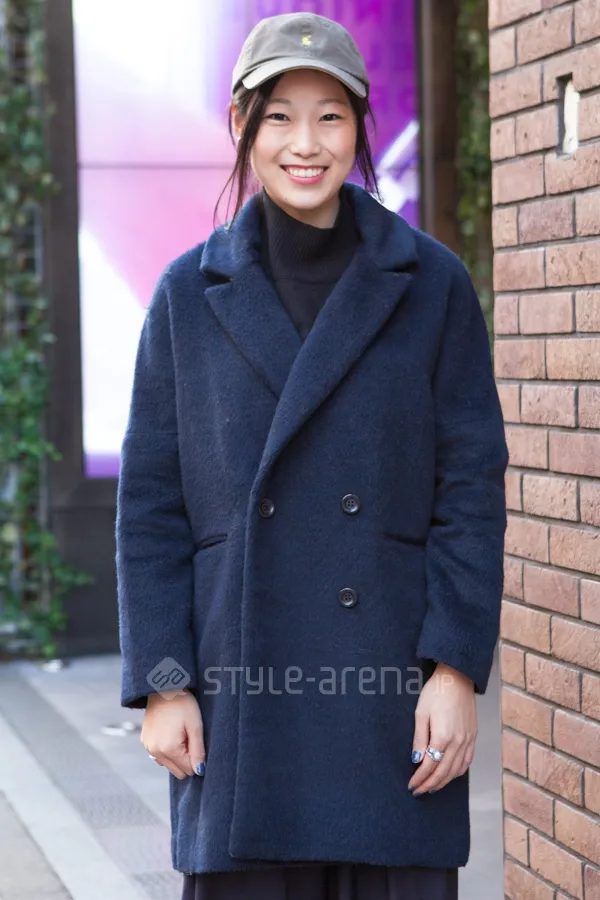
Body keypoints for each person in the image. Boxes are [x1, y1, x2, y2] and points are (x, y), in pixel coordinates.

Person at [115, 12, 509, 900]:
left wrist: (454, 670)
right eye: (279, 117)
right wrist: (165, 684)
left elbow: (469, 491)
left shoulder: (432, 283)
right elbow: (150, 510)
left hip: (391, 692)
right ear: (240, 127)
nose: (306, 143)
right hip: (238, 698)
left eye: (330, 116)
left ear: (361, 127)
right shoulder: (188, 294)